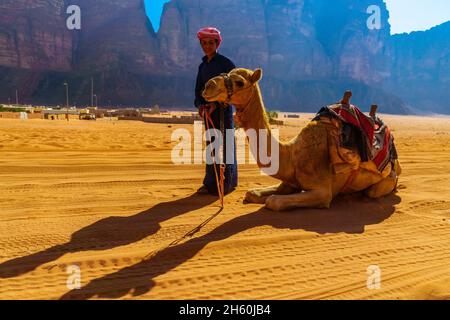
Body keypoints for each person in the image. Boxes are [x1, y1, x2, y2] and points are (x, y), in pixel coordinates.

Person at [194, 27, 238, 195]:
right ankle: (210, 184)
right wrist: (200, 106)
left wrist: (217, 104)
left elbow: (233, 89)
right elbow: (198, 90)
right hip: (208, 113)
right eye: (204, 43)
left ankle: (227, 184)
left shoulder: (226, 64)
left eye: (210, 43)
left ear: (217, 43)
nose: (207, 46)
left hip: (223, 112)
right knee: (212, 147)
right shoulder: (202, 66)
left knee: (227, 147)